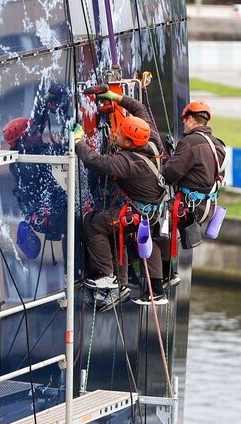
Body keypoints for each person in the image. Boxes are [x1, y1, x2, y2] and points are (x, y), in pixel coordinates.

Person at [75, 89, 171, 307]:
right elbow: (139, 109)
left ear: (129, 142)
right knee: (151, 241)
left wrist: (78, 141)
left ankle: (107, 275)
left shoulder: (127, 162)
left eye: (119, 134)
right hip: (155, 211)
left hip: (140, 214)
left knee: (93, 223)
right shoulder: (152, 139)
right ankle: (156, 291)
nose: (115, 135)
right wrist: (115, 97)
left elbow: (94, 161)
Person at [2, 116, 68, 245]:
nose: (38, 134)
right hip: (50, 218)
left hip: (55, 211)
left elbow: (38, 122)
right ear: (22, 141)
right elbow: (50, 155)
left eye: (36, 130)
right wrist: (71, 141)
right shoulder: (24, 164)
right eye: (33, 133)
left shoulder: (31, 149)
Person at [163, 100, 227, 225]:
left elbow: (169, 175)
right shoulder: (218, 144)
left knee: (155, 216)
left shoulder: (190, 142)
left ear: (190, 119)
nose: (184, 126)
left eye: (184, 122)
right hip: (210, 207)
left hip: (191, 206)